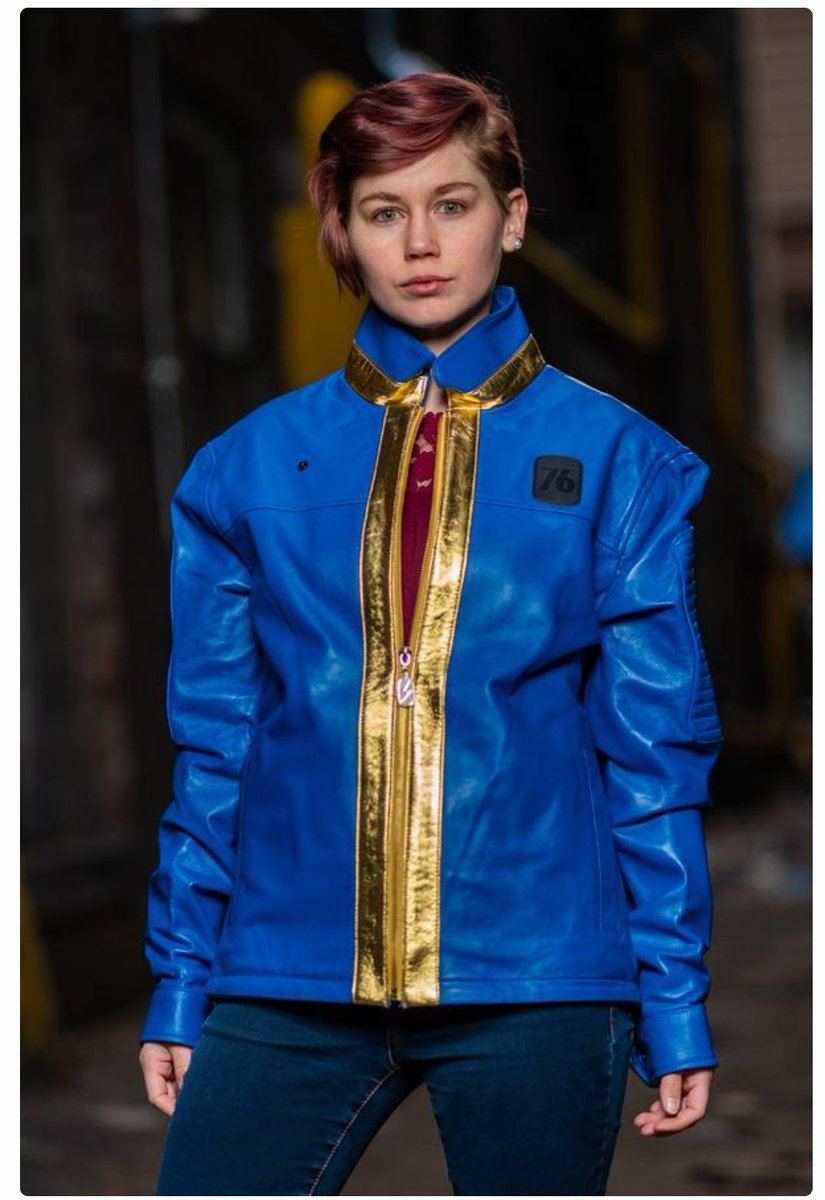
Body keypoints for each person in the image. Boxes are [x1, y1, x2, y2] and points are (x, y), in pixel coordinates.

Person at [138, 72, 724, 1196]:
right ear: (342, 232)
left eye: (452, 204)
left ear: (511, 216)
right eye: (383, 210)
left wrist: (673, 998)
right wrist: (181, 980)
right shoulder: (242, 469)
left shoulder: (624, 463)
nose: (419, 243)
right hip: (285, 971)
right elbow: (216, 745)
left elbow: (653, 754)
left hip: (539, 975)